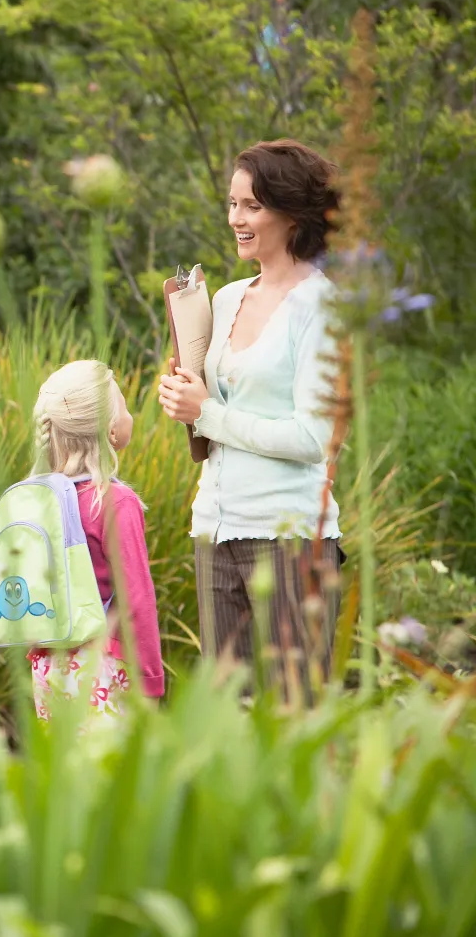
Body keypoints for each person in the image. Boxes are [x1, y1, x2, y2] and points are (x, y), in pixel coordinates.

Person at [158, 138, 344, 695]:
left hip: (290, 540)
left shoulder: (322, 306)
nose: (236, 219)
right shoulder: (226, 297)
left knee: (297, 720)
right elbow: (217, 407)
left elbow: (315, 438)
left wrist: (209, 414)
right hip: (215, 529)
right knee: (227, 730)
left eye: (252, 206)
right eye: (232, 204)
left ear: (292, 214)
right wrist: (183, 396)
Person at [26, 360, 165, 718]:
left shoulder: (39, 498)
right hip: (102, 670)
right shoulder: (115, 502)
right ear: (112, 431)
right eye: (124, 405)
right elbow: (137, 599)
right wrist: (151, 682)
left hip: (47, 667)